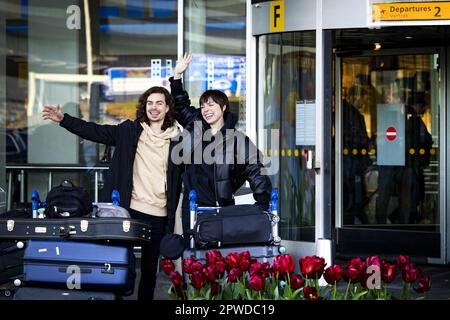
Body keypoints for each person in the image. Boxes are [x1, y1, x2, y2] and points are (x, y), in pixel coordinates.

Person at [42, 86, 183, 300]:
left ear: (167, 108)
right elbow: (95, 131)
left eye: (159, 103)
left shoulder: (177, 139)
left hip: (159, 214)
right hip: (129, 211)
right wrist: (64, 120)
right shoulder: (129, 131)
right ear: (145, 107)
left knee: (149, 270)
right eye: (150, 103)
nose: (154, 107)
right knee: (117, 264)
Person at [169, 53, 272, 239]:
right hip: (191, 205)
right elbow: (179, 104)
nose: (206, 110)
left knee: (216, 255)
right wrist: (177, 76)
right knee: (191, 252)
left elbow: (256, 169)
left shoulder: (237, 139)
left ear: (224, 107)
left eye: (211, 105)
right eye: (203, 106)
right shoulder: (195, 125)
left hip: (219, 206)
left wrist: (263, 205)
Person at [342, 86, 372, 224]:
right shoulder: (352, 114)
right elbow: (358, 140)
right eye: (364, 98)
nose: (364, 102)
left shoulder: (345, 111)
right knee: (352, 193)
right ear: (355, 97)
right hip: (350, 159)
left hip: (349, 159)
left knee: (352, 193)